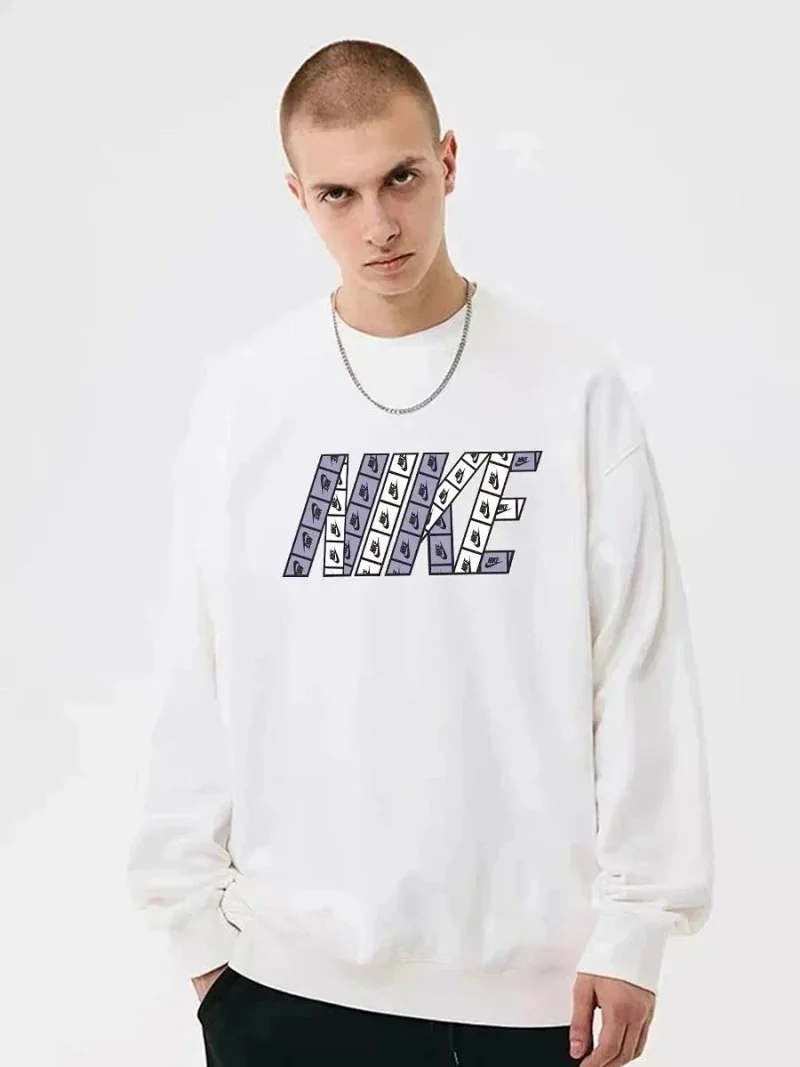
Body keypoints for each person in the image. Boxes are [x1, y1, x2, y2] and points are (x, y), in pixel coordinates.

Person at [125, 38, 714, 1067]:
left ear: (447, 160)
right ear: (298, 197)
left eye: (399, 177)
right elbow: (194, 668)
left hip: (534, 988)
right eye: (338, 194)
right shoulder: (247, 403)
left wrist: (635, 927)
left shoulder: (569, 389)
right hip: (288, 977)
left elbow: (638, 662)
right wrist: (195, 940)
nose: (378, 223)